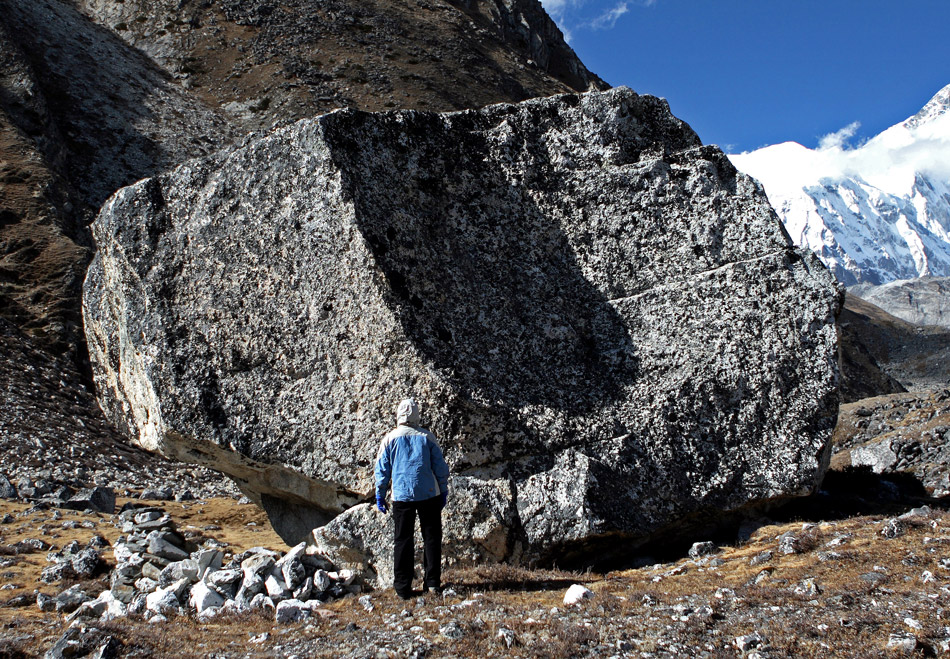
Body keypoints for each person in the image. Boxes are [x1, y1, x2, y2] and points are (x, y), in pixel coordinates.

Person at [374, 398, 450, 599]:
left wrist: (380, 494)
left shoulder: (389, 438)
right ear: (416, 415)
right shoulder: (427, 437)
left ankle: (402, 587)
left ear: (398, 415)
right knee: (432, 538)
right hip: (429, 494)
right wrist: (443, 489)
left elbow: (382, 470)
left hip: (401, 495)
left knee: (402, 540)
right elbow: (440, 467)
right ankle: (432, 583)